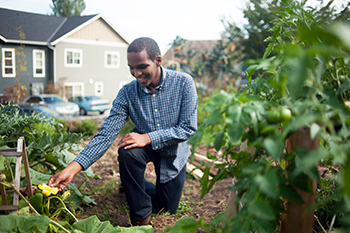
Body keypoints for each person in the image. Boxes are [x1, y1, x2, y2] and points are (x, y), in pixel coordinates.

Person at [48, 37, 198, 226]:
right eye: (131, 67)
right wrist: (72, 169)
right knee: (127, 151)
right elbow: (106, 134)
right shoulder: (127, 93)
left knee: (165, 208)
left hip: (173, 152)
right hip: (142, 148)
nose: (136, 73)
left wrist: (148, 137)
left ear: (158, 61)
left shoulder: (184, 83)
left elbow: (188, 128)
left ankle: (131, 185)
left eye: (142, 66)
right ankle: (140, 218)